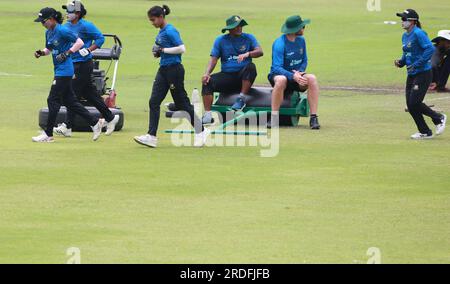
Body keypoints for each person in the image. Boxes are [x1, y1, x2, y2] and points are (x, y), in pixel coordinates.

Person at [134, 5, 209, 148]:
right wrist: (157, 53)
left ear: (161, 17)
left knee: (182, 103)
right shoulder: (161, 32)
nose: (152, 23)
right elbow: (162, 50)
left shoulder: (170, 30)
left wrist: (163, 50)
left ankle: (202, 131)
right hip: (163, 70)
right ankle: (151, 136)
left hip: (174, 70)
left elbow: (182, 48)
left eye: (153, 20)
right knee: (154, 101)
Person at [33, 7, 102, 143]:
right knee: (70, 102)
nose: (42, 24)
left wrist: (68, 53)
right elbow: (49, 49)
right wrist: (41, 53)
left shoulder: (63, 30)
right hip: (59, 70)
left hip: (65, 71)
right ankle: (95, 123)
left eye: (44, 21)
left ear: (52, 19)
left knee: (52, 100)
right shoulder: (49, 32)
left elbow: (80, 42)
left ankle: (48, 134)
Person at [53, 1, 120, 137]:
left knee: (72, 94)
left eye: (70, 11)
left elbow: (100, 39)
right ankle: (111, 118)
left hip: (83, 64)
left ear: (78, 13)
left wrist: (89, 50)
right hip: (72, 64)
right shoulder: (65, 26)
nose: (67, 13)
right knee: (90, 94)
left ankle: (67, 126)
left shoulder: (86, 26)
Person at [201, 15, 263, 124]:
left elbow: (259, 52)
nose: (239, 28)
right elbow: (213, 59)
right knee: (207, 81)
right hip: (227, 75)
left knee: (251, 67)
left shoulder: (249, 38)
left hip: (244, 77)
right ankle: (207, 115)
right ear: (229, 29)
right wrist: (207, 73)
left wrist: (248, 54)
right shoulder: (220, 40)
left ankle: (241, 99)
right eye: (236, 26)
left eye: (240, 26)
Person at [394, 9, 446, 139]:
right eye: (402, 19)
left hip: (423, 73)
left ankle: (439, 118)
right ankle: (424, 132)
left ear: (413, 21)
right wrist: (401, 62)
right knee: (411, 106)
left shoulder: (419, 33)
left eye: (404, 19)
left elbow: (430, 48)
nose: (402, 22)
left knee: (415, 103)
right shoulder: (405, 35)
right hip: (411, 73)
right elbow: (407, 53)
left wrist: (418, 63)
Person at [267, 15, 320, 129]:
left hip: (296, 76)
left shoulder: (302, 41)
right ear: (296, 29)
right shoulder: (279, 43)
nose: (304, 28)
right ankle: (274, 117)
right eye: (302, 26)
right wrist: (292, 76)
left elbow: (304, 60)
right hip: (279, 76)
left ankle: (314, 118)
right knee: (281, 80)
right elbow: (276, 67)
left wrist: (299, 73)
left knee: (312, 78)